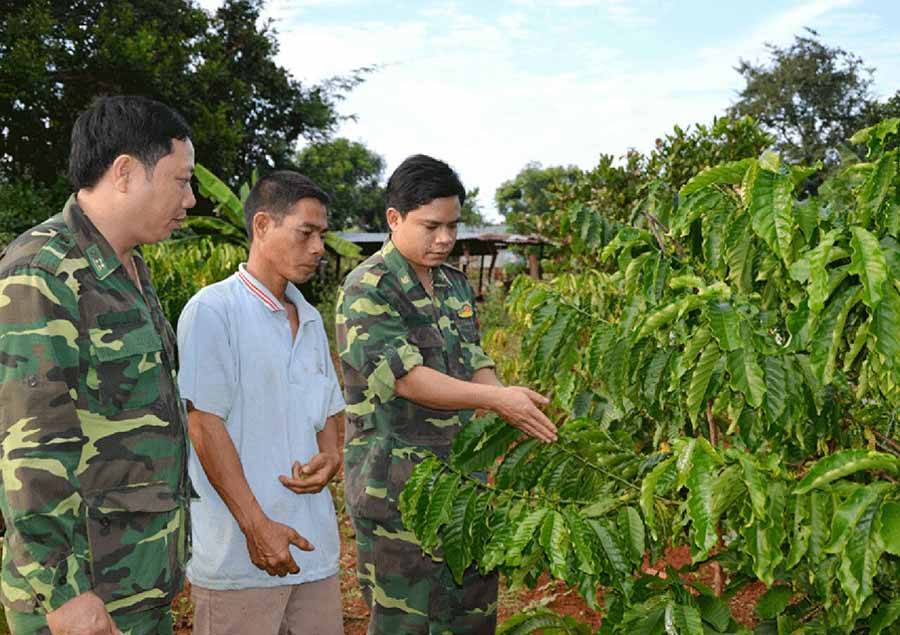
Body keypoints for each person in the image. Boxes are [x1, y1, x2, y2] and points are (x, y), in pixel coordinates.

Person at [336, 154, 558, 634]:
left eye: (453, 227)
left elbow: (475, 361)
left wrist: (509, 402)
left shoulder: (454, 285)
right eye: (431, 226)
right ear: (394, 219)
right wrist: (499, 402)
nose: (444, 239)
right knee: (407, 620)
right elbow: (407, 379)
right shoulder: (368, 289)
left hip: (464, 485)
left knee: (471, 615)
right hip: (397, 493)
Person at [0, 96, 196, 635]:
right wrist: (65, 595)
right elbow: (30, 448)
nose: (192, 199)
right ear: (126, 172)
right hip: (83, 594)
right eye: (181, 180)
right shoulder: (43, 272)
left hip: (136, 581)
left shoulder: (128, 271)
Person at [177, 171, 345, 635]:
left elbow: (327, 408)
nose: (317, 249)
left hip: (315, 552)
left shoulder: (309, 317)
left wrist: (331, 454)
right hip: (239, 555)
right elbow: (203, 426)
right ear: (263, 226)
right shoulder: (214, 311)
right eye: (305, 233)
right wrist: (256, 527)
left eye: (322, 236)